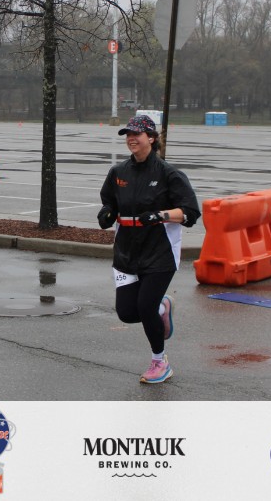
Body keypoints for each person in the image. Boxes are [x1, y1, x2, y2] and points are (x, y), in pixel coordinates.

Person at [97, 114, 200, 385]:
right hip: (126, 252)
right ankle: (163, 308)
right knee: (127, 313)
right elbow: (109, 201)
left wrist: (160, 215)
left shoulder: (169, 174)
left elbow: (190, 213)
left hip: (159, 253)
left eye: (137, 134)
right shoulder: (118, 172)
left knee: (145, 307)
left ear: (151, 139)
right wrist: (107, 212)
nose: (131, 139)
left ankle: (160, 362)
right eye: (128, 135)